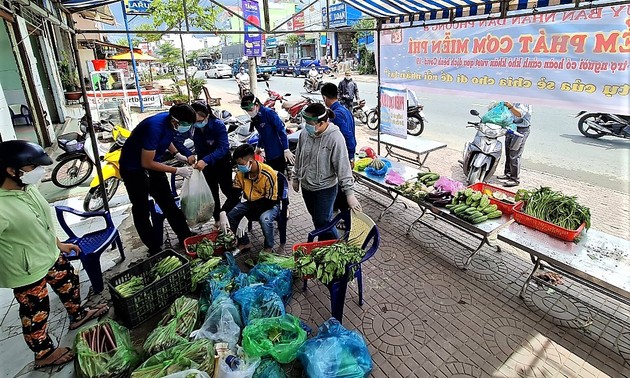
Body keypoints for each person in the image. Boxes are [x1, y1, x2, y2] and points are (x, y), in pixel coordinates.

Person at [0, 140, 109, 369]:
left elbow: (41, 222)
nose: (40, 172)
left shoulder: (26, 188)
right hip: (27, 270)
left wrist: (59, 244)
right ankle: (44, 354)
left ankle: (77, 314)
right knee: (36, 312)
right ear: (12, 170)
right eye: (33, 168)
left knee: (68, 280)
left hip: (50, 253)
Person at [119, 104, 196, 256]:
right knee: (141, 209)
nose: (187, 128)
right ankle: (154, 248)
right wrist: (176, 170)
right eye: (185, 125)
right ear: (175, 121)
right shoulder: (153, 127)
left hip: (153, 165)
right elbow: (146, 163)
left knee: (168, 202)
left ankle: (185, 236)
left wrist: (176, 154)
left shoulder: (169, 123)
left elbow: (166, 139)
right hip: (134, 169)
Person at [292, 103, 362, 240]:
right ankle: (324, 247)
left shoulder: (335, 138)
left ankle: (333, 247)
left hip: (325, 189)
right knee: (317, 221)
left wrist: (349, 194)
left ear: (323, 122)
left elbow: (343, 166)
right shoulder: (305, 133)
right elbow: (299, 155)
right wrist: (295, 177)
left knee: (323, 222)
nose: (307, 126)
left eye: (310, 123)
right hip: (307, 186)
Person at [176, 101, 236, 229]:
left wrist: (206, 160)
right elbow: (177, 141)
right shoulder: (191, 127)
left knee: (228, 190)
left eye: (199, 120)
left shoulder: (218, 125)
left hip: (221, 162)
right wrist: (188, 154)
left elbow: (223, 148)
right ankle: (217, 219)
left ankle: (231, 214)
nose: (197, 124)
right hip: (204, 165)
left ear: (207, 116)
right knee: (211, 192)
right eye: (194, 121)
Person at [217, 144, 280, 253]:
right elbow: (234, 196)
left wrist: (247, 216)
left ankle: (268, 246)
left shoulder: (268, 173)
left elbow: (270, 201)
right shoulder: (240, 174)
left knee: (265, 220)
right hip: (250, 202)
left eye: (241, 164)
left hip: (268, 204)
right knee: (231, 215)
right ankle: (244, 242)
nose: (239, 167)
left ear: (251, 161)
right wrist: (223, 211)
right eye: (237, 164)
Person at [321, 82, 356, 213]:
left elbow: (348, 136)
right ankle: (337, 208)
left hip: (344, 154)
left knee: (342, 185)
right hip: (347, 152)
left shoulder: (336, 114)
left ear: (325, 98)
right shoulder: (344, 110)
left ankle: (345, 217)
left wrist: (351, 156)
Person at [241, 94, 294, 174]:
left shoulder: (269, 113)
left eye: (250, 109)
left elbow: (281, 131)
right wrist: (258, 147)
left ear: (257, 105)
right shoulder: (256, 117)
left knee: (278, 178)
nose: (249, 112)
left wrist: (286, 149)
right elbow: (262, 133)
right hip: (268, 153)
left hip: (278, 152)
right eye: (247, 110)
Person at [496, 101, 532, 187]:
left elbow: (520, 114)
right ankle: (508, 173)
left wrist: (511, 107)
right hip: (511, 127)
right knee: (508, 151)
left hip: (521, 129)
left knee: (514, 154)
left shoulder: (524, 100)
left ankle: (515, 179)